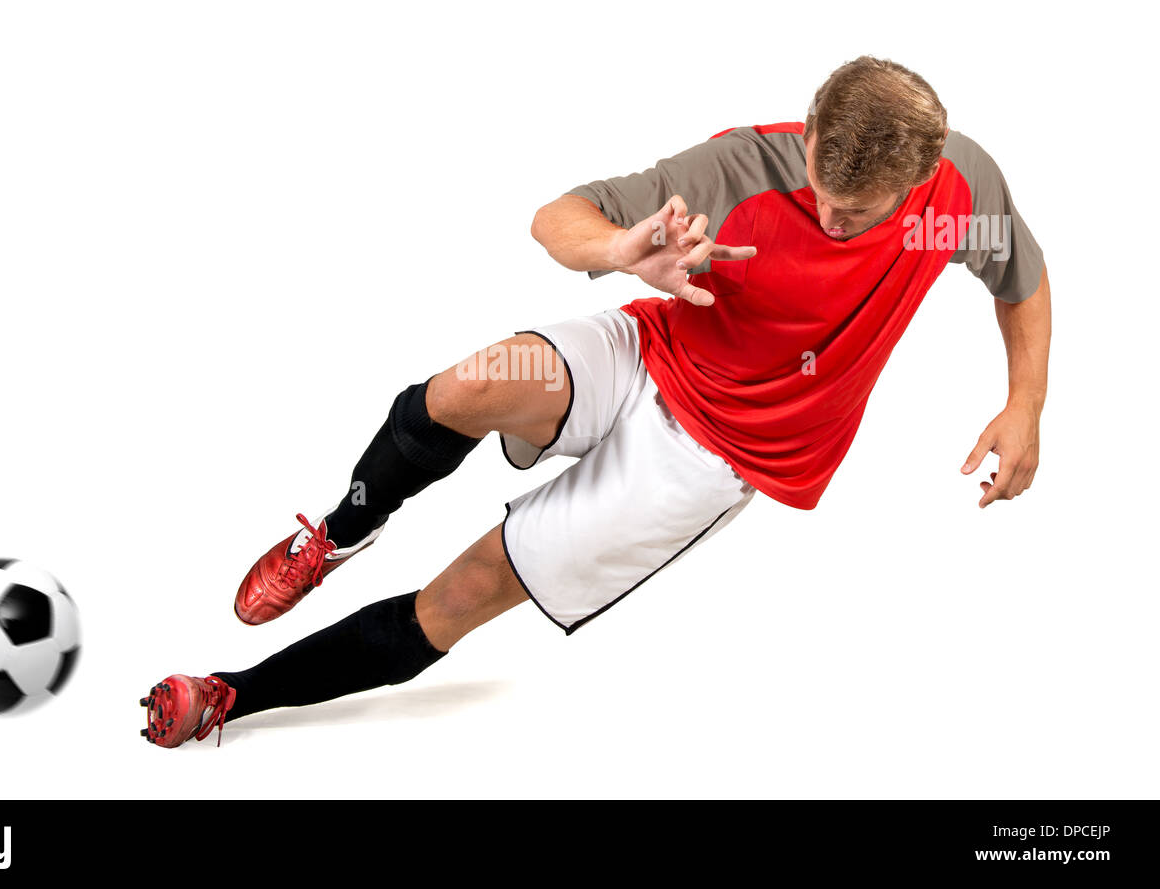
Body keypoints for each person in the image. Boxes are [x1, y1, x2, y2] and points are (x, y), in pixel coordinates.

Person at [139, 56, 1051, 749]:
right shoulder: (743, 170)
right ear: (808, 130)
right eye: (819, 184)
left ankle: (229, 695)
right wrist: (625, 252)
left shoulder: (958, 195)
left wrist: (1025, 403)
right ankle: (339, 533)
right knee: (471, 384)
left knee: (464, 591)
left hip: (714, 458)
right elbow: (557, 217)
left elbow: (1021, 274)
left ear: (918, 182)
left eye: (858, 211)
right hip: (652, 348)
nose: (831, 215)